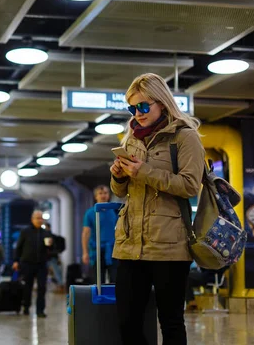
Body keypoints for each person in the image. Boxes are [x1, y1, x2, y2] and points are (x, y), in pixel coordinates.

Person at [110, 73, 204, 345]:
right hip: (129, 244)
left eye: (143, 106)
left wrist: (144, 172)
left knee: (171, 321)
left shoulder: (185, 138)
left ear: (162, 102)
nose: (137, 113)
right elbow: (120, 192)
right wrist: (118, 175)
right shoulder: (130, 140)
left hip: (169, 245)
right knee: (127, 321)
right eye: (132, 108)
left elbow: (189, 186)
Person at [13, 210, 53, 318]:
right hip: (27, 263)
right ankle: (26, 307)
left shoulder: (46, 233)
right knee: (27, 286)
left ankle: (40, 310)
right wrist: (16, 261)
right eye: (37, 218)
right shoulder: (25, 232)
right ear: (32, 219)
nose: (40, 220)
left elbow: (50, 249)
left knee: (42, 287)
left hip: (41, 264)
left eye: (41, 218)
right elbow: (19, 247)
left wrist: (50, 247)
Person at [81, 186, 121, 284]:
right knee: (98, 280)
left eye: (105, 193)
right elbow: (86, 233)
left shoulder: (114, 211)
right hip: (97, 250)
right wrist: (85, 252)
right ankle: (99, 299)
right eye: (100, 193)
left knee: (115, 280)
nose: (103, 195)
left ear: (109, 195)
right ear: (96, 196)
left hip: (113, 250)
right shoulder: (90, 213)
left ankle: (114, 299)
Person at [45, 223, 66, 291]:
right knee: (56, 272)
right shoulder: (50, 236)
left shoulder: (49, 236)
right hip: (48, 257)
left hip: (50, 257)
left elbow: (48, 247)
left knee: (56, 272)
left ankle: (61, 286)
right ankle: (60, 285)